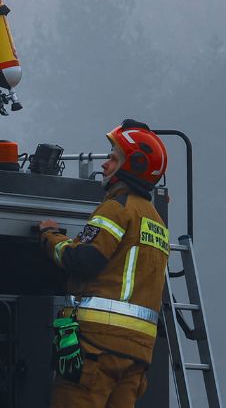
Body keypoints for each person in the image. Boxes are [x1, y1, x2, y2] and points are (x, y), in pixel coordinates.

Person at [37, 120, 170, 407]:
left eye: (113, 158)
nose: (106, 165)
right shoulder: (156, 220)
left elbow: (84, 259)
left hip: (98, 347)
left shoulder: (117, 207)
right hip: (137, 356)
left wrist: (51, 237)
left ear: (131, 166)